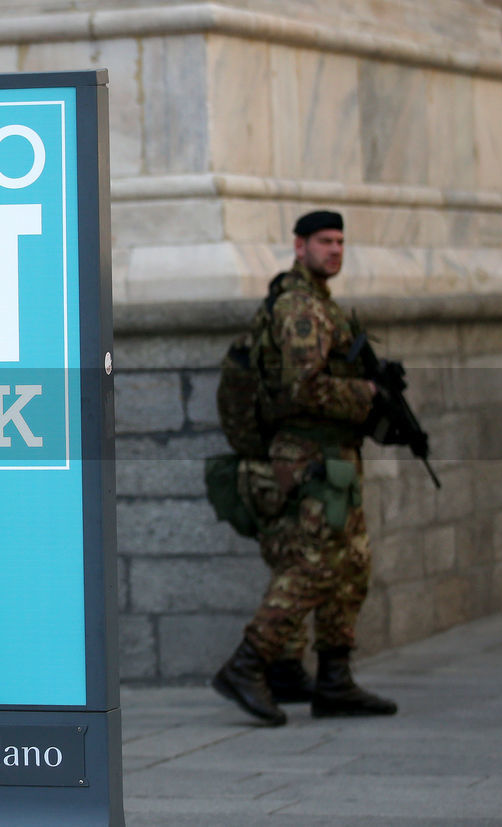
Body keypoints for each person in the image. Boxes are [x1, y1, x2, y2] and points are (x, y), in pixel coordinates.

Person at [212, 210, 398, 726]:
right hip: (308, 456)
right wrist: (367, 394)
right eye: (324, 241)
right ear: (299, 246)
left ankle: (334, 680)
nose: (334, 250)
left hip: (334, 456)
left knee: (351, 566)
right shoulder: (299, 308)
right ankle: (247, 664)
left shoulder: (321, 303)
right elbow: (302, 388)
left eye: (340, 241)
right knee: (312, 565)